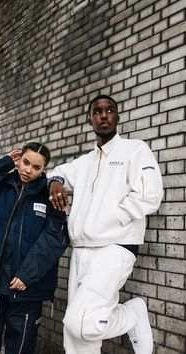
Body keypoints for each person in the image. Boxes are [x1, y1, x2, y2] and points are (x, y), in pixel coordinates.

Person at [47, 94, 163, 354]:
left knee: (83, 322)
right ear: (90, 120)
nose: (103, 115)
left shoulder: (135, 149)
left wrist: (113, 218)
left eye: (109, 110)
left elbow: (150, 195)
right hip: (81, 250)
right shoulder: (85, 161)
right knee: (74, 337)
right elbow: (57, 173)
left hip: (115, 246)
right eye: (97, 111)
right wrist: (55, 182)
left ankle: (131, 314)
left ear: (117, 117)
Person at [0, 142, 69, 354]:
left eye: (36, 167)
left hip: (26, 289)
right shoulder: (2, 184)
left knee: (19, 349)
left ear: (43, 170)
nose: (28, 170)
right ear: (19, 160)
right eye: (25, 162)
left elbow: (55, 237)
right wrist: (6, 162)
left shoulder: (49, 195)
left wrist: (27, 274)